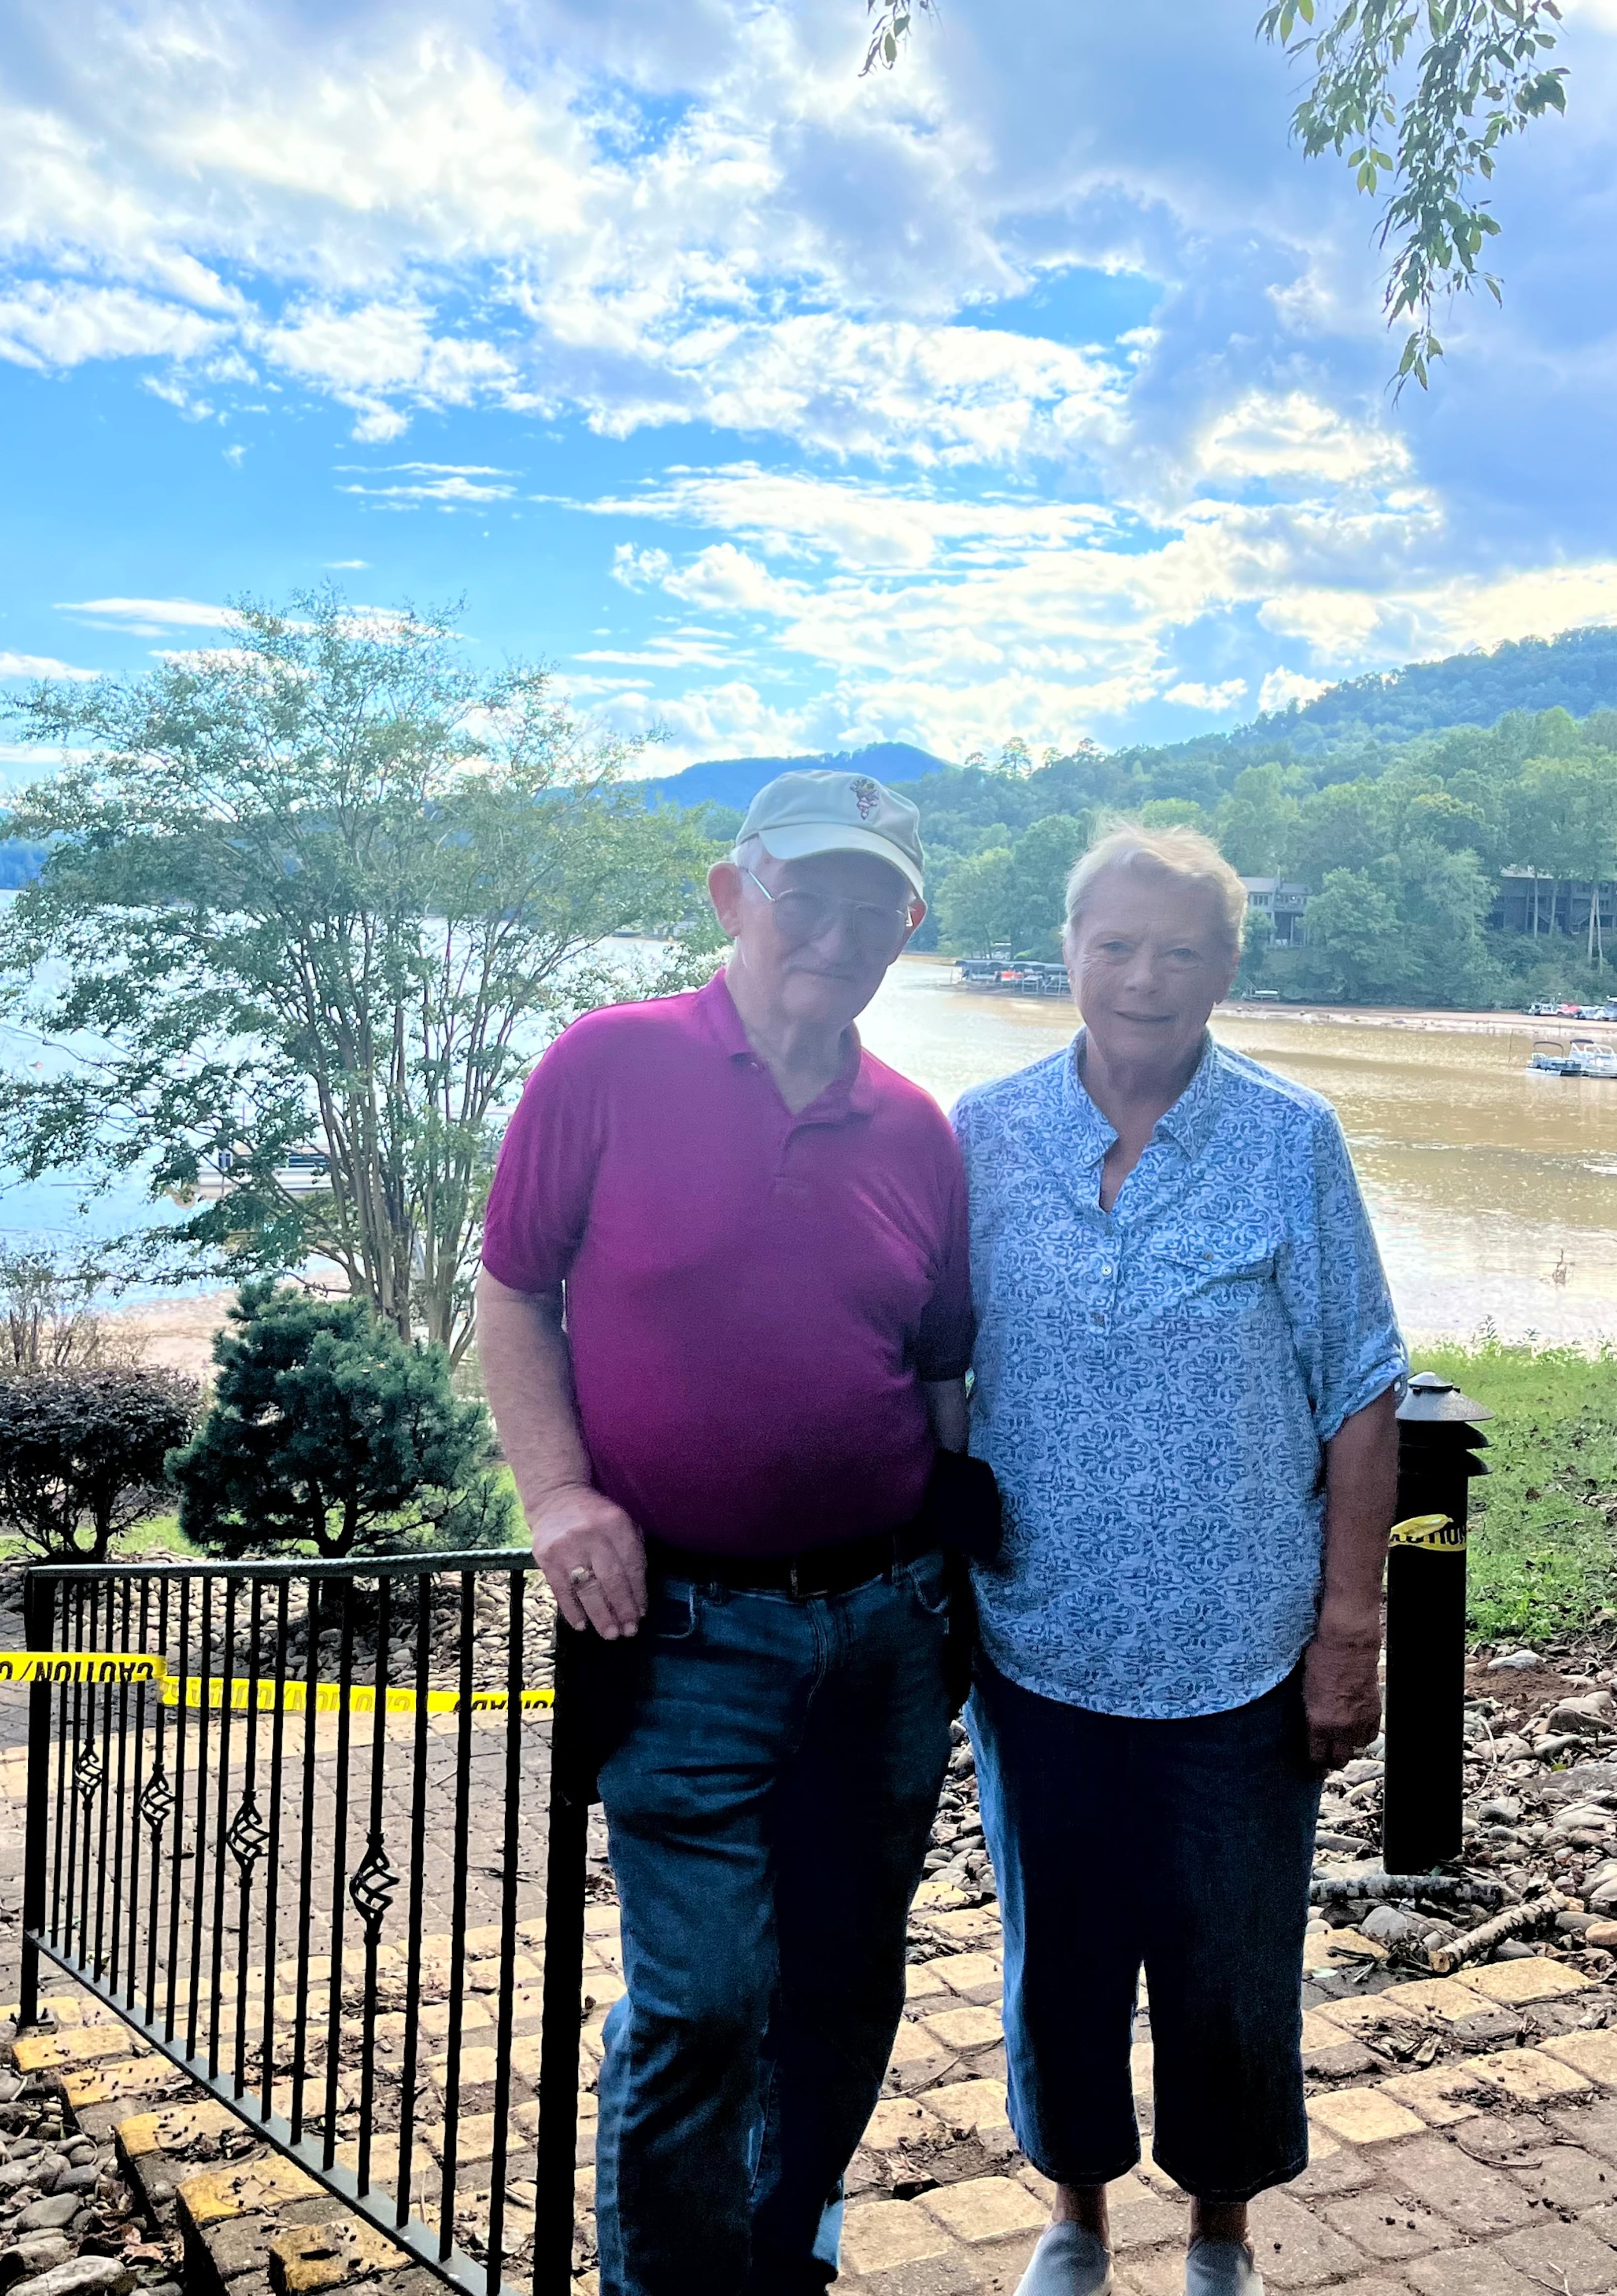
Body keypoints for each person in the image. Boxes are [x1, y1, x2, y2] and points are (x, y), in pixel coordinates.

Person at [474, 769, 972, 2296]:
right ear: (732, 893)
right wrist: (558, 1495)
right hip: (679, 1629)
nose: (835, 932)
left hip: (888, 1630)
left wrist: (959, 1564)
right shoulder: (608, 1064)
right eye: (804, 894)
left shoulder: (918, 1131)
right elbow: (513, 1291)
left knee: (846, 1979)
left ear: (908, 930)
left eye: (873, 907)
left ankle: (784, 2248)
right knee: (700, 2001)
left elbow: (940, 1370)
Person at [952, 826, 1405, 2296]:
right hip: (1039, 1637)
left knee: (1230, 1964)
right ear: (1069, 950)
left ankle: (1220, 2230)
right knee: (1059, 1957)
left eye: (1181, 950)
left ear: (1226, 969)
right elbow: (937, 1369)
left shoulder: (1290, 1137)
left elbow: (1361, 1390)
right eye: (1117, 944)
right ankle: (1076, 2214)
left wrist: (1350, 1628)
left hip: (1241, 1650)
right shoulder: (982, 1134)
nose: (1144, 977)